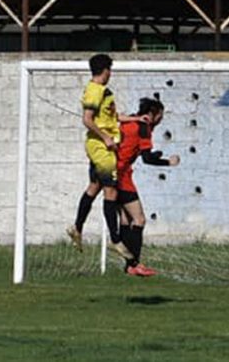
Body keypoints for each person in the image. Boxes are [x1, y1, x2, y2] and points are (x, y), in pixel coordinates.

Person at [66, 53, 143, 260]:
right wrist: (106, 137)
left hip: (101, 146)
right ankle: (115, 240)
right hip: (101, 148)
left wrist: (136, 118)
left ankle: (77, 227)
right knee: (111, 191)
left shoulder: (103, 91)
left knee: (94, 187)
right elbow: (87, 119)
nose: (111, 74)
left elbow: (112, 117)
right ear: (106, 70)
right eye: (110, 70)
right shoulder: (94, 90)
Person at [116, 98, 179, 277]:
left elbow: (131, 147)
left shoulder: (130, 120)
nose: (160, 120)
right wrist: (168, 162)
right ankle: (134, 264)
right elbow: (147, 159)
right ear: (152, 114)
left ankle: (129, 265)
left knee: (125, 220)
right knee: (139, 220)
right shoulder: (144, 127)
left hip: (111, 172)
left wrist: (154, 154)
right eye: (160, 116)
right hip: (122, 176)